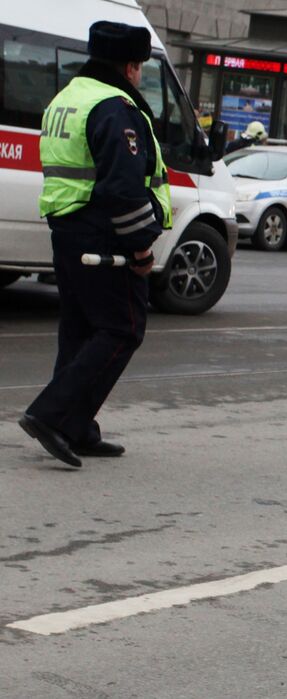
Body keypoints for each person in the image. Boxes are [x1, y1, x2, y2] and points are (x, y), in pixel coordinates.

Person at [19, 21, 170, 469]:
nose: (140, 75)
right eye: (140, 67)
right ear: (129, 67)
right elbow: (123, 189)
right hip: (103, 234)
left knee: (80, 330)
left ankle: (79, 427)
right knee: (123, 329)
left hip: (66, 229)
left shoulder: (67, 98)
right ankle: (52, 415)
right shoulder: (114, 106)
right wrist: (142, 247)